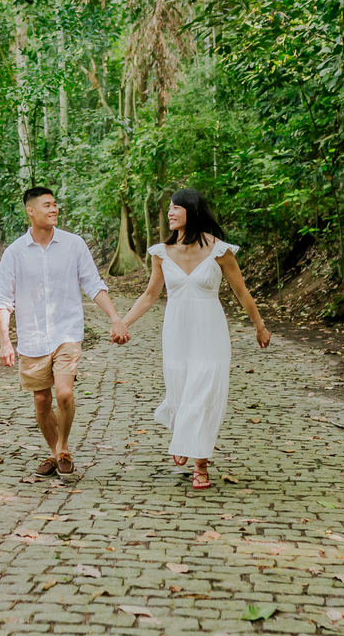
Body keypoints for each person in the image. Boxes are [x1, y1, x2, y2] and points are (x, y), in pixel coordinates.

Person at [121, 189, 270, 490]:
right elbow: (150, 296)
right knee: (180, 391)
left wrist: (260, 326)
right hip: (177, 331)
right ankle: (182, 433)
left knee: (204, 393)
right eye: (170, 208)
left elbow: (241, 292)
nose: (170, 213)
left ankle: (200, 465)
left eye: (177, 208)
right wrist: (121, 324)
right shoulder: (161, 253)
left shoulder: (219, 251)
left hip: (210, 330)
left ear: (193, 211)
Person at [0, 187, 130, 478]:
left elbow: (93, 283)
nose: (54, 209)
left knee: (64, 393)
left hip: (67, 331)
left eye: (55, 204)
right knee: (42, 401)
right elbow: (4, 300)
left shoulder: (74, 244)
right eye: (47, 205)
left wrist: (116, 318)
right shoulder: (15, 253)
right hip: (32, 337)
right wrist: (5, 340)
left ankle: (63, 447)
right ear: (31, 211)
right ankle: (55, 453)